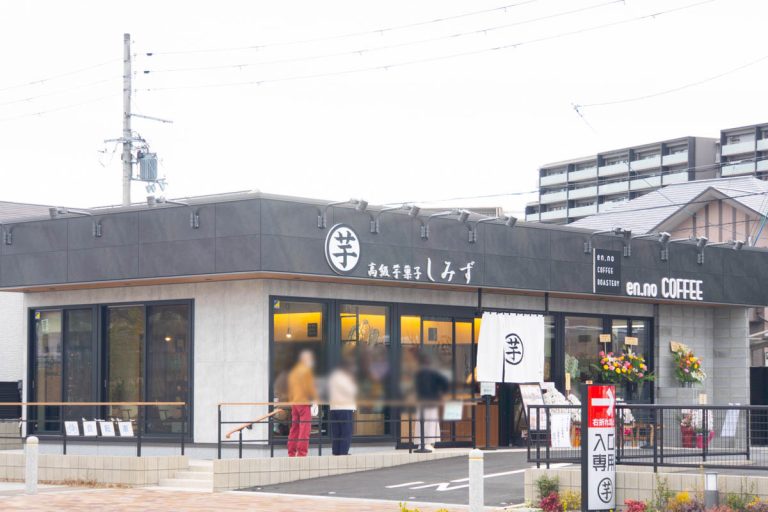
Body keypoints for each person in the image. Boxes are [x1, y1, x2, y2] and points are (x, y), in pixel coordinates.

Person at [415, 353, 449, 451]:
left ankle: (421, 443)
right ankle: (428, 443)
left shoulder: (418, 374)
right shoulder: (433, 373)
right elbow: (445, 384)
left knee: (421, 421)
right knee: (430, 422)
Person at [287, 350, 317, 457]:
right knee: (305, 429)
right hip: (304, 402)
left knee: (294, 428)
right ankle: (301, 454)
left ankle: (291, 453)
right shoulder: (306, 371)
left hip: (295, 403)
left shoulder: (294, 371)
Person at [328, 359, 358, 455]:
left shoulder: (333, 377)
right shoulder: (345, 377)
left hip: (334, 407)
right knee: (346, 431)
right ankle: (343, 453)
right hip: (345, 407)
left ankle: (336, 452)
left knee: (337, 432)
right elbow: (352, 391)